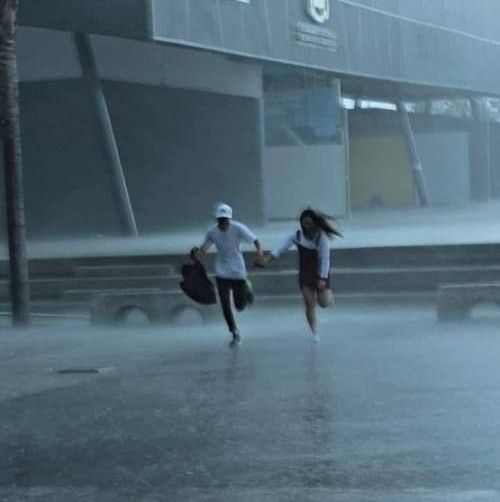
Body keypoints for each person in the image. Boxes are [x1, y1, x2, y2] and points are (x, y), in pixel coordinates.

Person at [265, 208, 342, 342]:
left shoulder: (321, 237)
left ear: (314, 223)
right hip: (305, 273)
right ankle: (314, 332)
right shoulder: (297, 236)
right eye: (303, 222)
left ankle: (329, 296)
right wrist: (268, 259)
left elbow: (325, 259)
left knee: (323, 303)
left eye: (309, 222)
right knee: (309, 303)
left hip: (320, 273)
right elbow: (280, 248)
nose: (306, 225)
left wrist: (323, 278)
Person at [194, 203, 265, 347]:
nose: (222, 222)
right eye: (220, 219)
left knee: (239, 306)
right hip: (221, 271)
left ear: (229, 219)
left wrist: (260, 255)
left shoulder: (238, 228)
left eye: (225, 219)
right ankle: (235, 333)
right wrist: (196, 255)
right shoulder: (212, 232)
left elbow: (256, 241)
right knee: (225, 303)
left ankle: (247, 287)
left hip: (238, 270)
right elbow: (204, 248)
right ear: (217, 219)